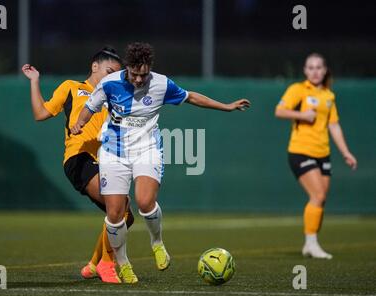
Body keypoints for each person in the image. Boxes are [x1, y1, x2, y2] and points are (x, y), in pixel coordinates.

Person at [72, 42, 250, 282]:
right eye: (134, 74)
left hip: (147, 149)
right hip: (114, 152)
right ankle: (123, 263)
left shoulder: (161, 84)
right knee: (115, 213)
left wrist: (226, 107)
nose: (138, 79)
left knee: (145, 202)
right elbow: (89, 107)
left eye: (143, 74)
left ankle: (157, 242)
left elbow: (191, 97)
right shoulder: (110, 83)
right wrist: (79, 123)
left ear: (150, 69)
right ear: (127, 68)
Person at [22, 47, 134, 283]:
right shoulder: (72, 87)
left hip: (104, 161)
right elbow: (41, 113)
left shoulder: (112, 98)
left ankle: (94, 266)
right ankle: (106, 264)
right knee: (119, 205)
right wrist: (34, 81)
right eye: (109, 71)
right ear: (95, 67)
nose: (113, 77)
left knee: (126, 215)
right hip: (79, 158)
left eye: (117, 74)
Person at [275, 53, 357, 259]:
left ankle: (310, 243)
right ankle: (311, 244)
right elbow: (279, 111)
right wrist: (302, 115)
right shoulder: (298, 90)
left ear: (325, 69)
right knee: (318, 195)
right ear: (305, 71)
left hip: (323, 153)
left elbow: (334, 125)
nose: (315, 71)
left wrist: (346, 152)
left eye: (319, 67)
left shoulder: (328, 95)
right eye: (310, 67)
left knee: (321, 199)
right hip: (300, 150)